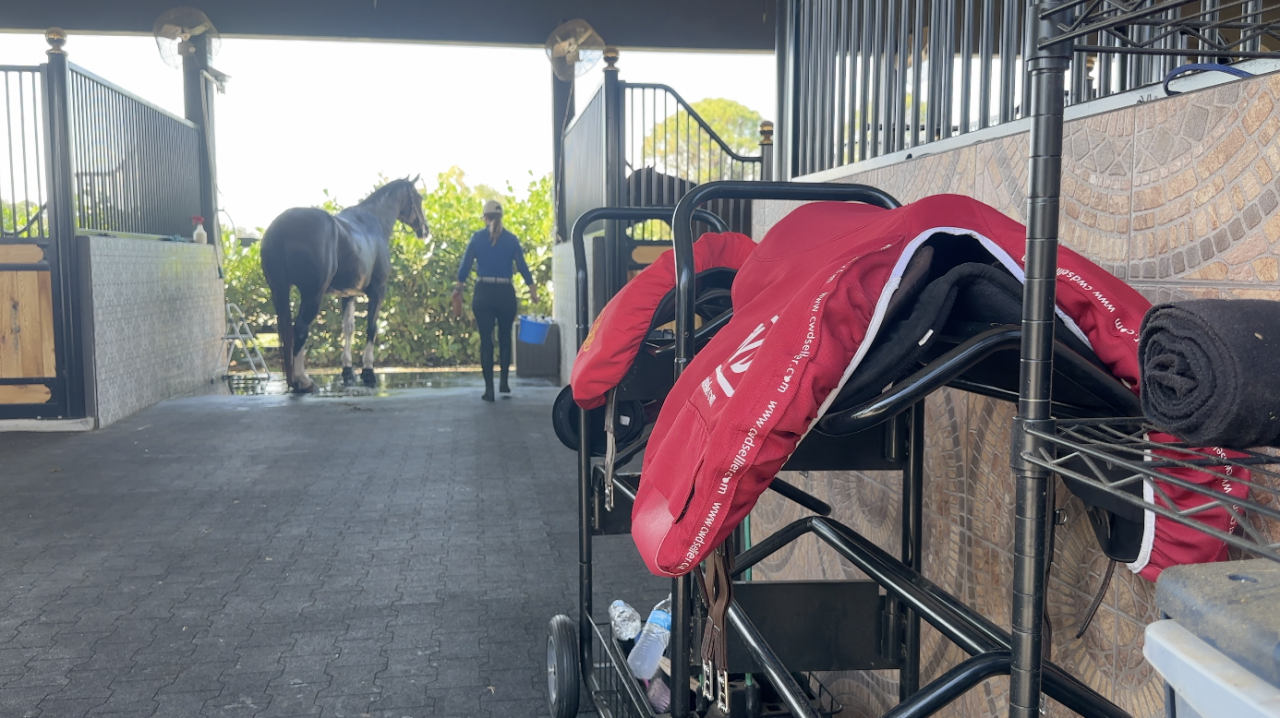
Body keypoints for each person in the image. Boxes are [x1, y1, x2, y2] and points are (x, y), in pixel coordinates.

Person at [454, 199, 540, 402]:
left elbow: (464, 267)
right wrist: (533, 291)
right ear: (500, 217)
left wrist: (458, 288)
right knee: (505, 338)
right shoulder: (511, 240)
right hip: (505, 293)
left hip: (483, 292)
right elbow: (523, 267)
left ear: (485, 217)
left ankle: (489, 390)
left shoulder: (477, 238)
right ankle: (504, 382)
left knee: (486, 341)